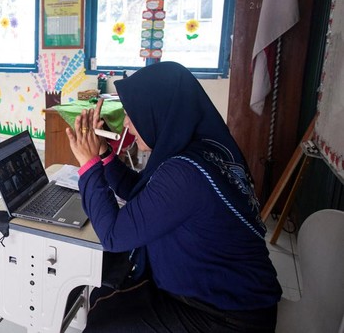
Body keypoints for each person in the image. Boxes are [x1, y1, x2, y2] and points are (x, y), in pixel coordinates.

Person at [65, 62, 282, 332]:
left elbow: (113, 235)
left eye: (133, 115)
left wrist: (88, 167)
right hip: (226, 297)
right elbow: (141, 194)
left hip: (226, 317)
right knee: (105, 292)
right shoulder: (199, 150)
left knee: (105, 318)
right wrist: (104, 155)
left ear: (158, 112)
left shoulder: (184, 173)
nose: (128, 125)